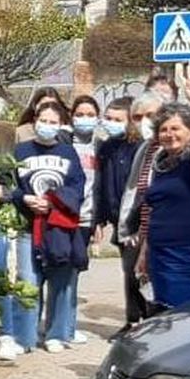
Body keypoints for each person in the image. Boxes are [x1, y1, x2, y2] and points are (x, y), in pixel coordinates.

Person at [121, 71, 190, 308]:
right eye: (163, 130)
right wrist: (145, 250)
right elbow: (156, 210)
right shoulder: (160, 162)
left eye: (176, 128)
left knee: (184, 315)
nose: (169, 134)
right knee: (167, 313)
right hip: (161, 253)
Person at [13, 100, 87, 353]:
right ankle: (25, 336)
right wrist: (24, 198)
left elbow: (78, 186)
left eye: (52, 122)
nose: (47, 125)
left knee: (61, 279)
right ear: (34, 121)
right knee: (28, 281)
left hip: (58, 227)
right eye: (43, 121)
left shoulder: (68, 152)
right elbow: (7, 184)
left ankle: (57, 333)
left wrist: (53, 202)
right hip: (27, 225)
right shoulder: (20, 151)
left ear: (61, 125)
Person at [92, 96, 150, 329]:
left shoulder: (140, 147)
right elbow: (101, 184)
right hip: (119, 220)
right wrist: (99, 219)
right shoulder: (107, 147)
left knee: (137, 271)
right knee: (128, 271)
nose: (111, 123)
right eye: (108, 118)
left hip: (138, 221)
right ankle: (133, 319)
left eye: (118, 119)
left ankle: (143, 319)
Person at [114, 92, 170, 324]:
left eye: (150, 115)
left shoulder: (172, 148)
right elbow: (132, 189)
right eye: (137, 117)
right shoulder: (144, 148)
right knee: (133, 278)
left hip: (162, 229)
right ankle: (133, 322)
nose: (144, 122)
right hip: (137, 228)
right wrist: (125, 227)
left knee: (155, 285)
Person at [64, 93, 103, 347]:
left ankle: (68, 325)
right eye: (80, 114)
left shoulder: (101, 147)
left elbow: (102, 185)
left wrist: (99, 220)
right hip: (61, 216)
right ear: (71, 117)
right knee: (56, 270)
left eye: (90, 115)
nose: (84, 119)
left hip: (86, 218)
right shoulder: (63, 142)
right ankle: (54, 325)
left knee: (74, 272)